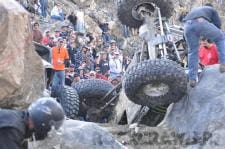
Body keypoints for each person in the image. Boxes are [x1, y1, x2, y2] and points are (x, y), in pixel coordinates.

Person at [182, 4, 225, 87]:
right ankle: (223, 63)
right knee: (221, 37)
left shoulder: (196, 10)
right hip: (200, 22)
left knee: (193, 51)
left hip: (187, 26)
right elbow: (217, 25)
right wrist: (211, 39)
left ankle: (192, 78)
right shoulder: (212, 10)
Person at [0, 97, 65, 149]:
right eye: (50, 129)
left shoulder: (21, 121)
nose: (48, 134)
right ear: (43, 122)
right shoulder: (12, 128)